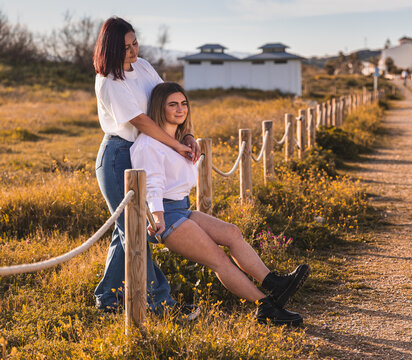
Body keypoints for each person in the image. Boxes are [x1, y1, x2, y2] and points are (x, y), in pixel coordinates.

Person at [130, 82, 310, 326]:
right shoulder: (149, 144)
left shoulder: (179, 139)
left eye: (183, 104)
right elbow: (151, 185)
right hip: (163, 214)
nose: (180, 109)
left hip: (181, 208)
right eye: (172, 104)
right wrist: (158, 217)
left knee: (232, 233)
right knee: (218, 259)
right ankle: (264, 306)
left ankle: (274, 283)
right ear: (159, 108)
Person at [93, 17, 201, 316]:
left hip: (150, 149)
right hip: (119, 156)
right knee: (136, 229)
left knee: (124, 229)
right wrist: (175, 145)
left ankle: (108, 298)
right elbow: (140, 120)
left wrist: (186, 134)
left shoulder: (142, 66)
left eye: (134, 43)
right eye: (125, 47)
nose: (132, 51)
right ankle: (160, 303)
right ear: (110, 48)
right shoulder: (109, 80)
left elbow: (166, 100)